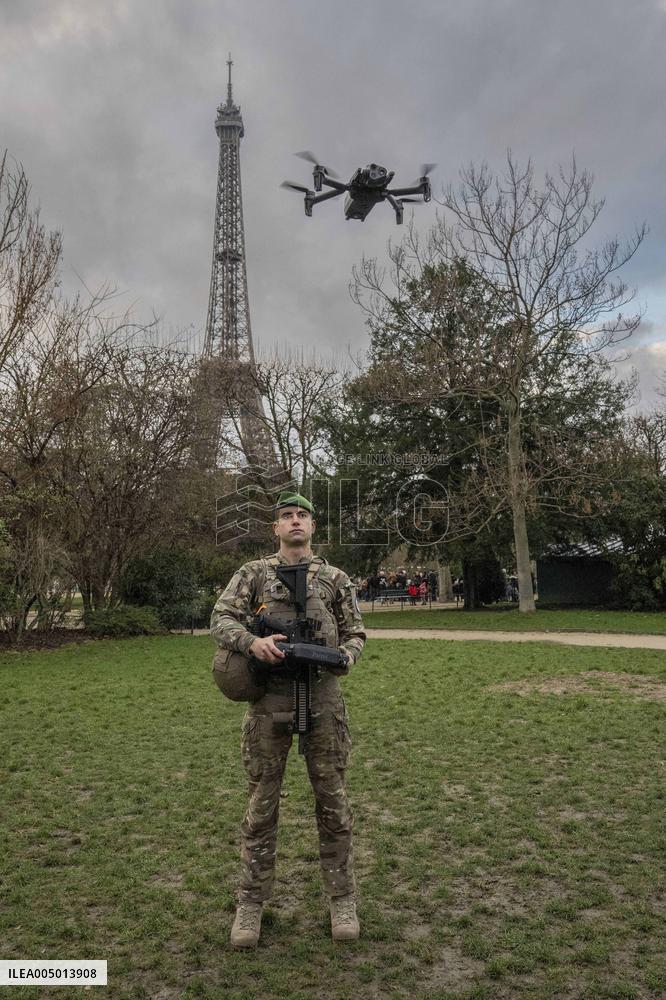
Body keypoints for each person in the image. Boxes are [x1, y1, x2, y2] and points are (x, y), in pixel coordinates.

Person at [210, 491, 366, 948]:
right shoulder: (254, 574)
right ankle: (250, 905)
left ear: (313, 526)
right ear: (275, 528)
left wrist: (346, 658)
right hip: (269, 702)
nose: (295, 521)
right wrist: (250, 644)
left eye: (302, 515)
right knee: (261, 807)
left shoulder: (336, 578)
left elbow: (356, 632)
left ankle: (342, 899)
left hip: (323, 701)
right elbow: (221, 618)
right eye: (286, 517)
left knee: (334, 805)